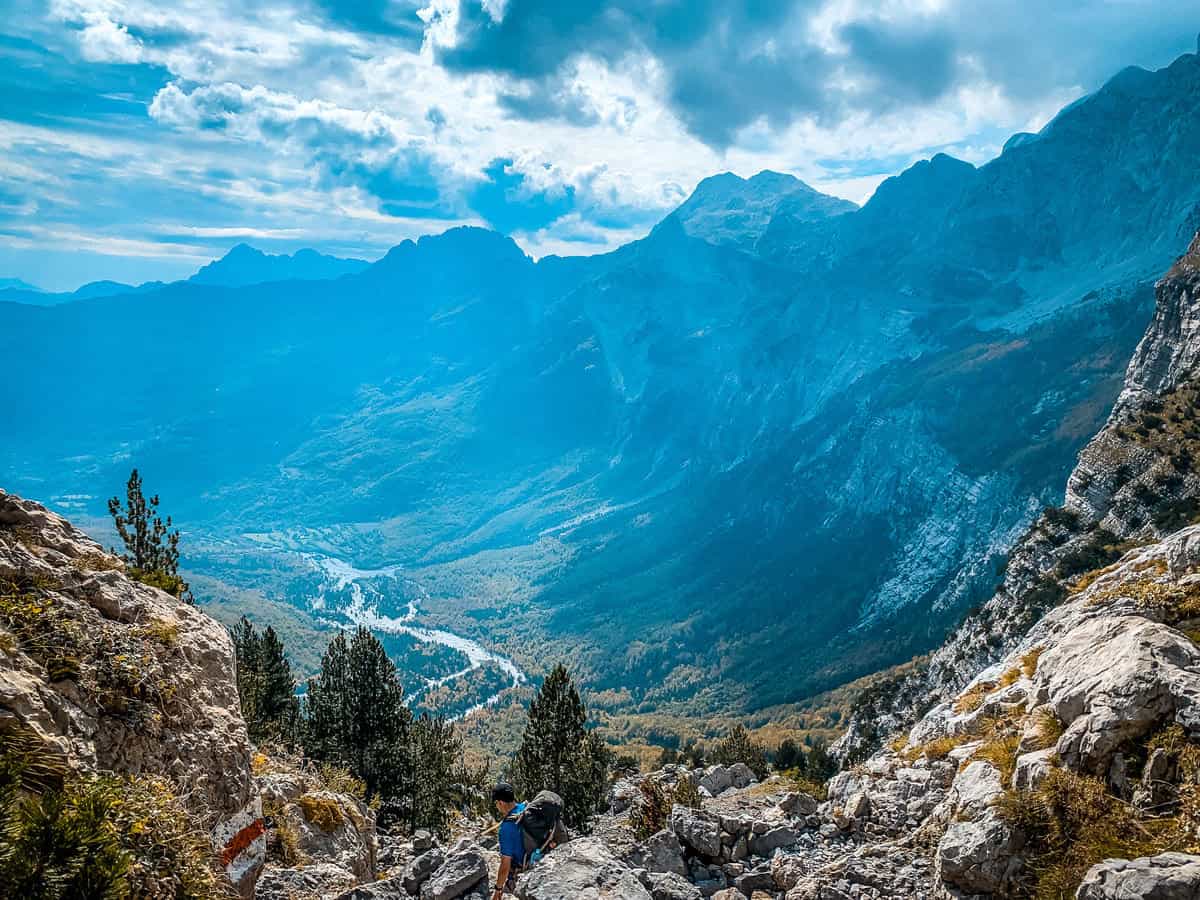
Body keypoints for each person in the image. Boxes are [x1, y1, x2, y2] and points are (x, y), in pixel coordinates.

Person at [490, 782, 566, 898]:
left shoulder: (506, 829)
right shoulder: (526, 808)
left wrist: (498, 890)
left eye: (496, 803)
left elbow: (505, 865)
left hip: (525, 870)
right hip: (544, 856)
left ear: (500, 802)